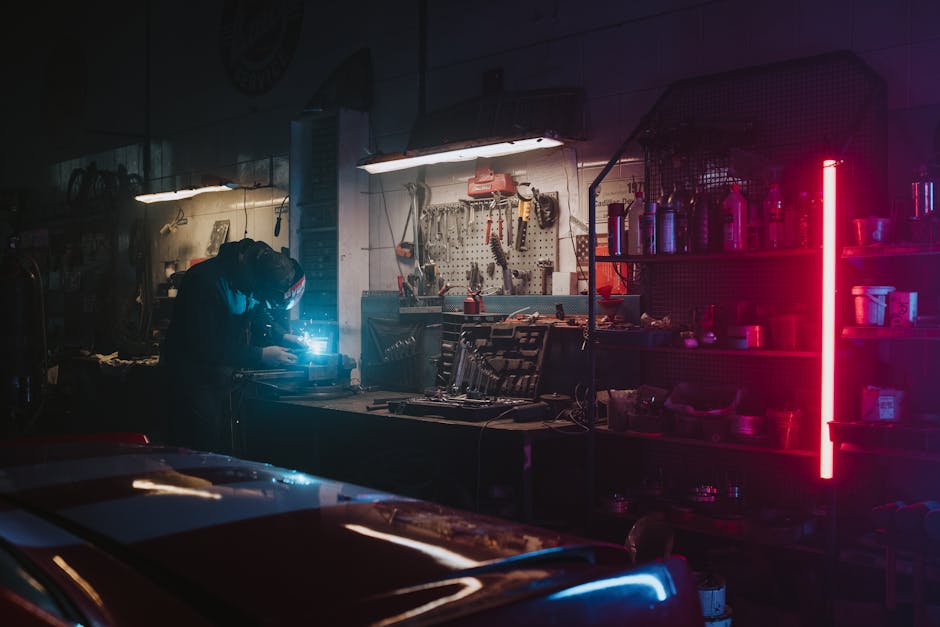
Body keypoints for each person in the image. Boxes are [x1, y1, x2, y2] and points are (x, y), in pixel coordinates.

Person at [160, 237, 306, 453]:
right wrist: (261, 355)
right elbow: (205, 346)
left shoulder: (248, 276)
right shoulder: (205, 282)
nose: (259, 299)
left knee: (225, 448)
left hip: (220, 378)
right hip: (192, 383)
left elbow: (257, 313)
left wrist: (283, 337)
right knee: (203, 450)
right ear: (256, 282)